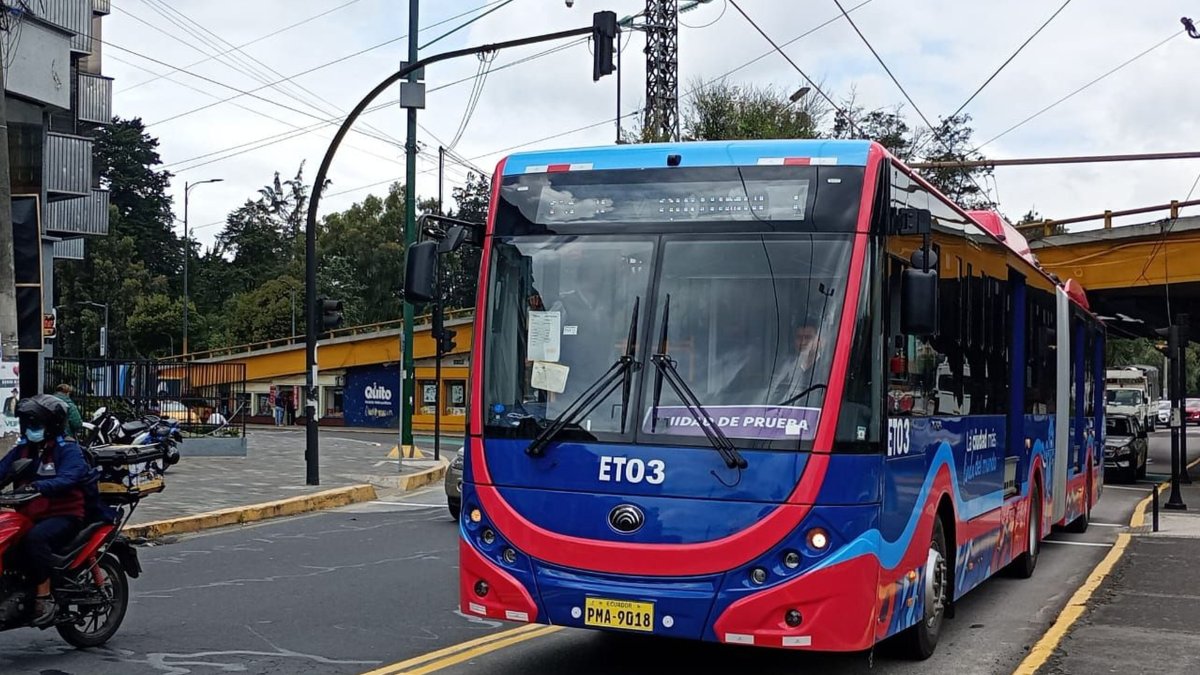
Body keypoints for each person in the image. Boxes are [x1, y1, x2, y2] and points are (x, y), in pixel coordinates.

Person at [0, 395, 92, 626]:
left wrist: (40, 486)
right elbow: (2, 470)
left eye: (36, 423)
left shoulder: (68, 449)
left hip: (64, 514)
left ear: (52, 424)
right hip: (29, 513)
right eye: (28, 423)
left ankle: (44, 595)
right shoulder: (23, 449)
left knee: (35, 539)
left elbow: (71, 476)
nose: (31, 428)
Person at [769, 322, 822, 406]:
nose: (803, 342)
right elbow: (773, 392)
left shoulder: (826, 369)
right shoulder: (785, 366)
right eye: (799, 337)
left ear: (818, 341)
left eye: (808, 337)